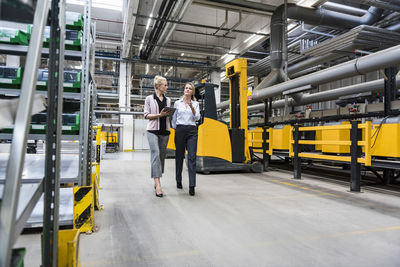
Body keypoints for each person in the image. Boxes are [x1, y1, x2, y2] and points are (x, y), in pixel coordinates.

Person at [144, 75, 173, 197]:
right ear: (158, 86)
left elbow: (168, 115)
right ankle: (158, 184)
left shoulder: (168, 100)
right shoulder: (149, 99)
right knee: (155, 154)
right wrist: (159, 115)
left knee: (161, 157)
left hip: (165, 131)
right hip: (152, 131)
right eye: (165, 85)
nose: (167, 87)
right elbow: (146, 115)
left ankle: (156, 179)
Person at [172, 82, 200, 196]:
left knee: (192, 158)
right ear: (184, 90)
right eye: (186, 88)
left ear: (192, 92)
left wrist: (192, 107)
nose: (187, 90)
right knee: (179, 156)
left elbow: (197, 117)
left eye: (190, 88)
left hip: (192, 131)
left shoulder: (196, 103)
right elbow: (173, 118)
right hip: (180, 130)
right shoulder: (177, 103)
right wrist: (177, 129)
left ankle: (192, 186)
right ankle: (178, 180)